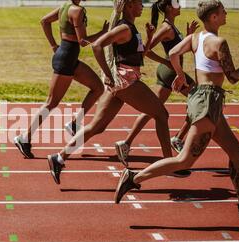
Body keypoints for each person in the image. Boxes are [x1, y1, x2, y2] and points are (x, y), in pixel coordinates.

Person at [115, 0, 239, 219]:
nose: (226, 13)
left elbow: (173, 54)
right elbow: (234, 78)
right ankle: (133, 177)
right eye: (222, 11)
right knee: (185, 160)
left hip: (207, 100)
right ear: (213, 18)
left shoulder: (195, 38)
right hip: (208, 102)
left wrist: (180, 74)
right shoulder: (219, 42)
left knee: (236, 151)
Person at [47, 0, 186, 184]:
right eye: (138, 3)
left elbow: (141, 54)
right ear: (129, 6)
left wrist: (150, 36)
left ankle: (59, 157)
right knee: (161, 114)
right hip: (126, 81)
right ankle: (169, 164)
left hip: (121, 83)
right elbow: (97, 46)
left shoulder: (130, 27)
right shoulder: (124, 28)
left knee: (97, 126)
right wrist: (107, 74)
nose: (142, 6)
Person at [14, 0, 109, 159]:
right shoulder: (77, 10)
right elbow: (83, 41)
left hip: (69, 59)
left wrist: (53, 46)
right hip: (65, 60)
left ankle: (74, 123)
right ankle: (24, 138)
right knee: (51, 102)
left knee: (98, 87)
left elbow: (44, 21)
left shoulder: (65, 7)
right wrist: (103, 32)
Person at [114, 0, 199, 166]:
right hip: (171, 72)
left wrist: (188, 35)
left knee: (152, 109)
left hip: (170, 71)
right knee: (200, 99)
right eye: (176, 3)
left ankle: (127, 143)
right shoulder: (166, 27)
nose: (180, 6)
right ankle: (179, 139)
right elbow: (146, 49)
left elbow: (178, 49)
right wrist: (166, 62)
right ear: (168, 8)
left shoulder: (172, 26)